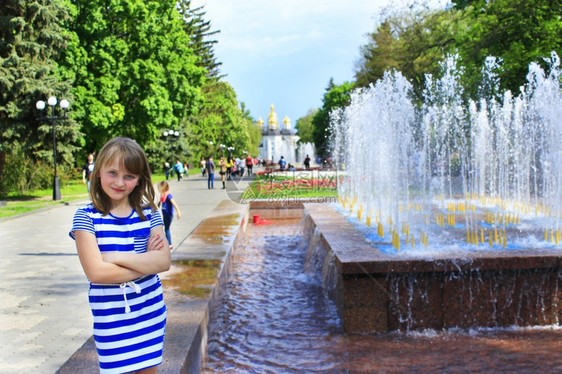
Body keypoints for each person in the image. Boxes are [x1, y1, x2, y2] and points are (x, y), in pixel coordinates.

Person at [69, 137, 170, 374]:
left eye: (129, 176)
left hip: (149, 311)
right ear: (98, 173)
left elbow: (163, 261)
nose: (119, 182)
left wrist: (113, 255)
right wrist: (146, 263)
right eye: (112, 173)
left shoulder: (150, 213)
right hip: (111, 318)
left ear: (139, 180)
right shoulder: (85, 217)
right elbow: (96, 272)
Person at [157, 181, 181, 250]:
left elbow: (174, 203)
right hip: (165, 215)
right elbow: (162, 205)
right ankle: (167, 242)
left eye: (160, 189)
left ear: (164, 189)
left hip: (169, 215)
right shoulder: (163, 195)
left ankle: (169, 244)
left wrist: (178, 211)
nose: (159, 191)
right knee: (165, 228)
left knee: (166, 229)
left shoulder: (168, 195)